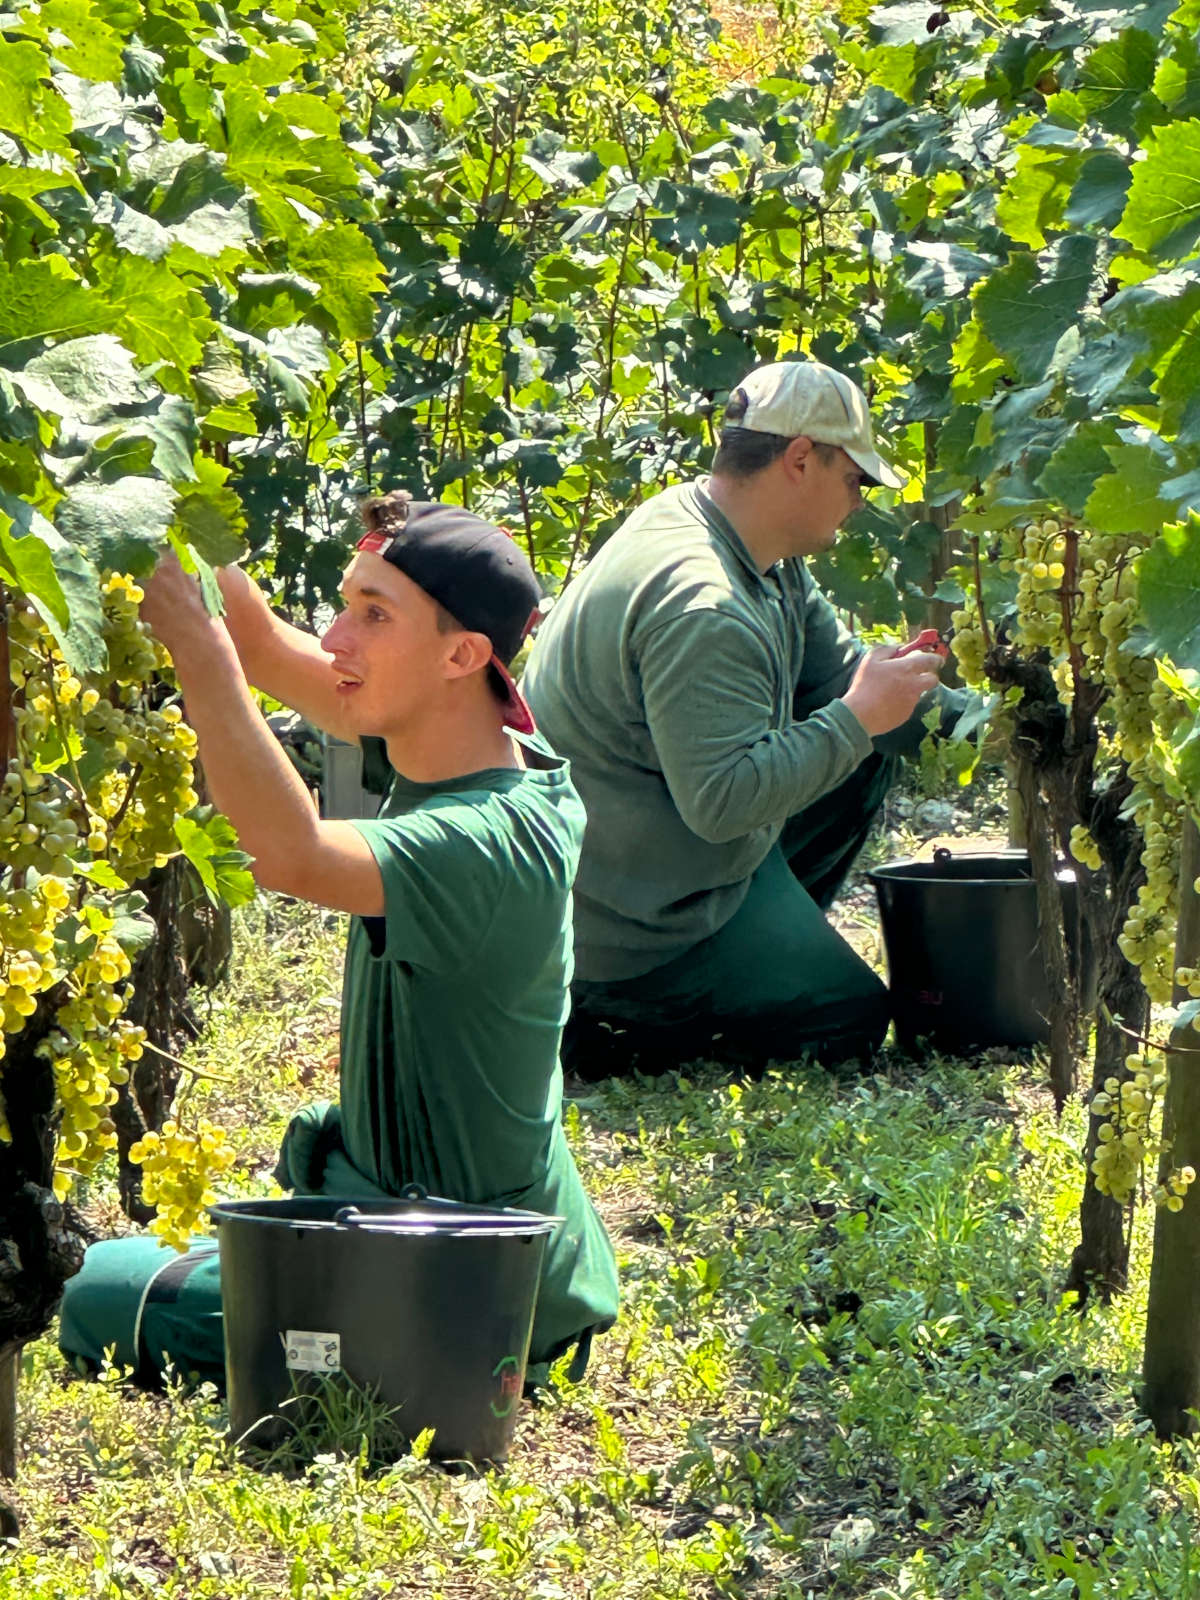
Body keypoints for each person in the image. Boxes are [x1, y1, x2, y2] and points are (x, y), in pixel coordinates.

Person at [59, 493, 618, 1390]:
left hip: (457, 1285)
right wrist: (154, 493)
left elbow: (293, 855)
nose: (335, 637)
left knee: (85, 1289)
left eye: (371, 615)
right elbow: (272, 650)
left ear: (462, 654)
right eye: (344, 602)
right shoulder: (475, 738)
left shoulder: (490, 839)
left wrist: (197, 657)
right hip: (462, 1246)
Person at [521, 360, 953, 1076]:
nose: (859, 501)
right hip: (622, 921)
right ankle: (613, 1020)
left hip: (646, 854)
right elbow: (721, 804)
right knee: (843, 1018)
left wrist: (995, 720)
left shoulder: (741, 539)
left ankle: (758, 945)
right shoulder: (705, 603)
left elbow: (839, 676)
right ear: (800, 459)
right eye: (857, 480)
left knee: (871, 746)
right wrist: (857, 716)